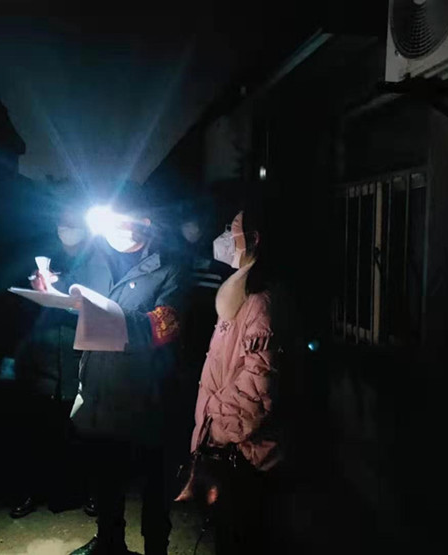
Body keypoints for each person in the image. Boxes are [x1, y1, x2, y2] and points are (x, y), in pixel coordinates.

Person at [31, 189, 189, 555]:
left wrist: (108, 316)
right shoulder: (98, 258)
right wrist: (54, 292)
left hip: (147, 391)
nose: (115, 230)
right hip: (100, 382)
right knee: (106, 473)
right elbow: (79, 300)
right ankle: (108, 542)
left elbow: (165, 326)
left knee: (154, 481)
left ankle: (156, 548)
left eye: (123, 221)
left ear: (147, 223)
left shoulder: (171, 267)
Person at [176, 204, 284, 555]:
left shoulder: (261, 304)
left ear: (254, 239)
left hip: (246, 453)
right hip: (234, 447)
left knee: (241, 538)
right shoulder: (243, 295)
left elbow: (258, 389)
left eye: (231, 229)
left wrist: (215, 426)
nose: (224, 237)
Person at [10, 203, 97, 518]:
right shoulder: (41, 258)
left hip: (80, 357)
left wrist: (73, 303)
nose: (67, 229)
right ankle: (32, 491)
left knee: (81, 430)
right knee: (38, 430)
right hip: (42, 357)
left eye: (73, 223)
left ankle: (88, 492)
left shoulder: (98, 259)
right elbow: (21, 308)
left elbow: (104, 306)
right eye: (63, 223)